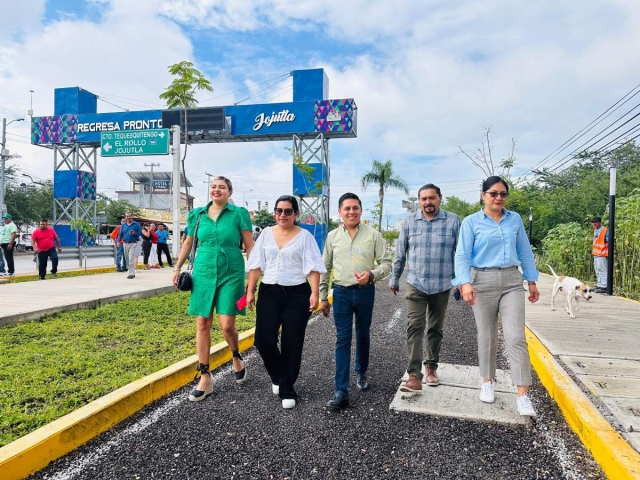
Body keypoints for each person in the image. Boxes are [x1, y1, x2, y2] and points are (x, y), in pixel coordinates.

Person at [453, 176, 540, 417]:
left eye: (502, 194)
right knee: (487, 335)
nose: (498, 198)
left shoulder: (515, 220)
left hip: (512, 281)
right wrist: (465, 283)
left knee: (515, 337)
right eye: (493, 193)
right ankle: (487, 380)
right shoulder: (471, 222)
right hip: (481, 281)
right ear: (483, 195)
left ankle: (522, 395)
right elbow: (462, 255)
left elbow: (524, 250)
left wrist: (532, 280)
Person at [172, 176, 254, 402]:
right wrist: (177, 267)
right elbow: (189, 242)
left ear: (230, 192)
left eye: (222, 187)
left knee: (227, 324)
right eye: (214, 187)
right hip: (204, 271)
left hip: (232, 271)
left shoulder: (239, 214)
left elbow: (250, 246)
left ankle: (236, 355)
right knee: (202, 322)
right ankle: (205, 376)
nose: (217, 190)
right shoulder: (197, 214)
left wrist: (252, 279)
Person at [246, 196, 326, 409]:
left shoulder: (305, 236)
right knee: (263, 340)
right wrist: (250, 291)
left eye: (288, 211)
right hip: (269, 292)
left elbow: (313, 267)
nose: (283, 215)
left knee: (292, 341)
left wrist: (315, 292)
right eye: (279, 211)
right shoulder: (265, 234)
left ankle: (287, 388)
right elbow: (256, 265)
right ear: (274, 212)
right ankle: (279, 375)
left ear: (296, 214)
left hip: (297, 294)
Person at [320, 192, 392, 412]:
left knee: (362, 334)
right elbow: (325, 267)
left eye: (355, 208)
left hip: (364, 292)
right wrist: (323, 296)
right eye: (347, 208)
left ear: (361, 210)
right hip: (340, 293)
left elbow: (387, 263)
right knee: (342, 339)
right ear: (340, 212)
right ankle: (341, 390)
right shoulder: (332, 236)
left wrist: (371, 274)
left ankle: (361, 370)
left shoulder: (373, 235)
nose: (351, 212)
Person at [390, 184, 461, 393]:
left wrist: (461, 280)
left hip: (442, 284)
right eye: (423, 199)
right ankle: (414, 374)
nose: (428, 202)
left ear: (440, 198)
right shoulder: (410, 221)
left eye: (432, 198)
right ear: (419, 201)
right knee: (415, 326)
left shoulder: (453, 221)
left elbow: (461, 253)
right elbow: (400, 251)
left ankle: (431, 367)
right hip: (416, 283)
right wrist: (394, 277)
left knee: (435, 328)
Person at [117, 212, 142, 279]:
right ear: (125, 217)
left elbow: (140, 233)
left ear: (132, 216)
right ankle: (131, 271)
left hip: (133, 243)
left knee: (131, 258)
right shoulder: (124, 225)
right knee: (127, 258)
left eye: (129, 216)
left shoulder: (136, 224)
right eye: (127, 216)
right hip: (125, 243)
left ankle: (131, 274)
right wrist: (118, 241)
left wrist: (134, 233)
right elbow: (120, 234)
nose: (128, 217)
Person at [591, 216, 609, 294]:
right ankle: (599, 285)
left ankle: (604, 286)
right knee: (597, 270)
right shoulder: (596, 230)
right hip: (596, 253)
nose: (594, 224)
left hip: (602, 253)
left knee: (602, 270)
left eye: (596, 222)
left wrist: (612, 253)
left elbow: (609, 241)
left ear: (600, 222)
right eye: (593, 222)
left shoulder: (604, 230)